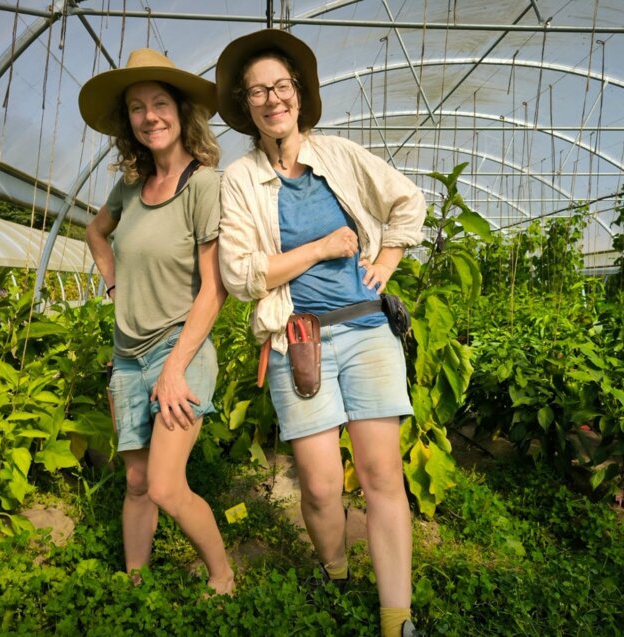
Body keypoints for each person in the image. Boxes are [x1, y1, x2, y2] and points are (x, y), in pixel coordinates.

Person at [215, 30, 425, 636]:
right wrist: (321, 248)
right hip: (296, 338)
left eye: (280, 86)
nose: (272, 99)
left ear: (299, 94)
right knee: (319, 484)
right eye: (258, 91)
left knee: (383, 475)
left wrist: (385, 263)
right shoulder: (241, 179)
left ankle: (396, 619)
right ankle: (335, 570)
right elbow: (243, 274)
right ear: (248, 106)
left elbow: (407, 203)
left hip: (365, 331)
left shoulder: (340, 156)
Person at [79, 48, 234, 595]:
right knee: (139, 482)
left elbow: (213, 290)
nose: (150, 116)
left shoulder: (203, 187)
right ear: (129, 122)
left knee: (167, 486)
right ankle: (135, 582)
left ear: (182, 110)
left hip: (178, 349)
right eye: (137, 107)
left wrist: (173, 369)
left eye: (160, 102)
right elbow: (96, 234)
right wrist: (115, 284)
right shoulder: (128, 189)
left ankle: (223, 576)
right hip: (127, 357)